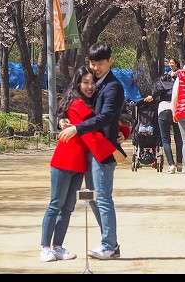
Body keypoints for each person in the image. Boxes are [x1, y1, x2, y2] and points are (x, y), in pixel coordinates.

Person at [39, 65, 118, 263]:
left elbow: (98, 123)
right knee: (55, 205)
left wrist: (122, 130)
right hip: (64, 161)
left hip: (80, 165)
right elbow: (94, 129)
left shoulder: (90, 104)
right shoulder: (77, 105)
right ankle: (45, 247)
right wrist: (118, 142)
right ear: (78, 83)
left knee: (68, 208)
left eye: (92, 82)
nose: (90, 86)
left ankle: (58, 246)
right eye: (85, 82)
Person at [57, 42, 125, 260]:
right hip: (90, 148)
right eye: (93, 63)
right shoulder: (93, 84)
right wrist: (62, 120)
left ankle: (110, 244)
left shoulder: (113, 87)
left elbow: (105, 117)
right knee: (95, 198)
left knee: (103, 198)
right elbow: (74, 105)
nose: (96, 68)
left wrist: (77, 129)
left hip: (103, 150)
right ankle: (109, 242)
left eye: (100, 64)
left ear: (110, 62)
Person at [143, 60, 180, 174]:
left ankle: (171, 165)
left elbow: (157, 91)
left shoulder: (160, 83)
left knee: (165, 139)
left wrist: (152, 97)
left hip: (164, 110)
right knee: (178, 138)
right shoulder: (177, 84)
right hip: (176, 111)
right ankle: (179, 163)